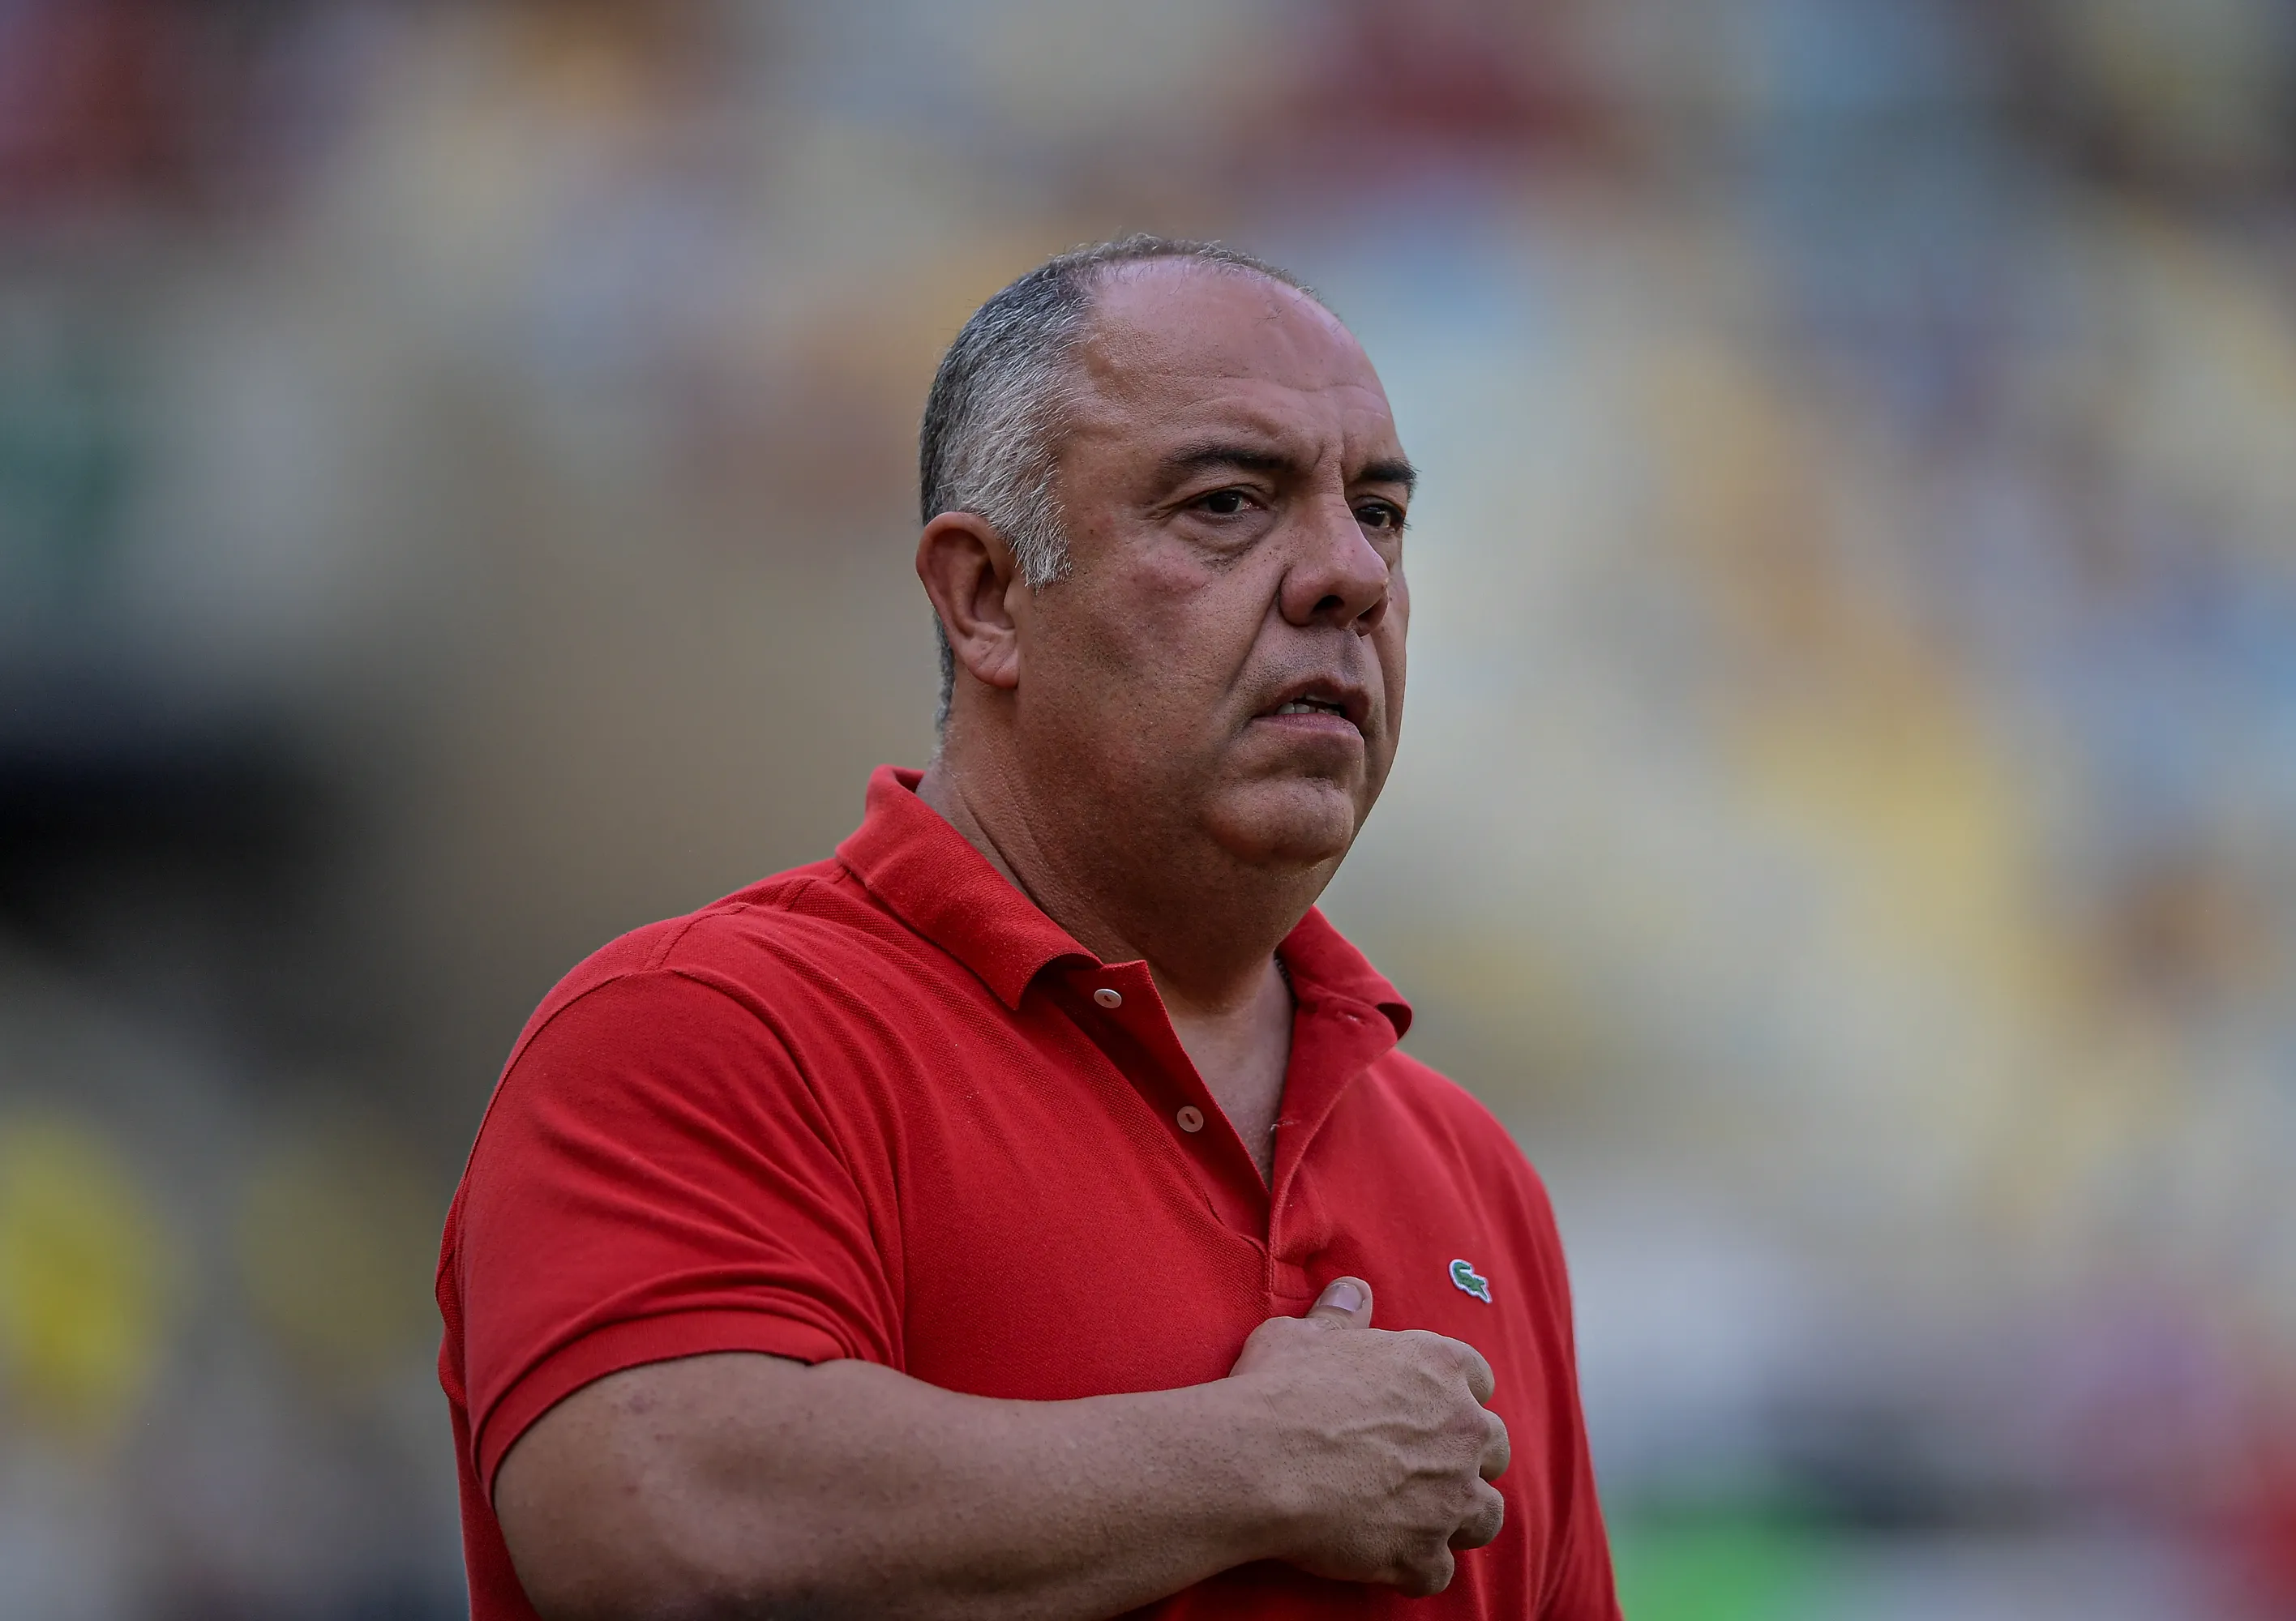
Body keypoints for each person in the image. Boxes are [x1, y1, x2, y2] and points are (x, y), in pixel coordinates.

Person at [435, 236, 1622, 1619]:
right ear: (986, 598)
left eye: (1381, 513)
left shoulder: (1473, 1172)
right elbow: (665, 1529)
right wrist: (1257, 1461)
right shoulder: (702, 1029)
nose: (1348, 575)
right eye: (1231, 502)